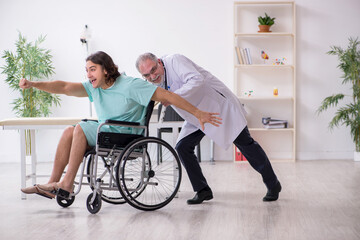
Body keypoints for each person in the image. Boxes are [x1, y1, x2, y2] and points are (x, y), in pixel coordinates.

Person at [20, 51, 222, 199]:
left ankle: (67, 184)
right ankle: (53, 186)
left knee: (80, 127)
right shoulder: (95, 87)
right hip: (106, 132)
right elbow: (64, 87)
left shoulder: (130, 85)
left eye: (93, 69)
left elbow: (167, 95)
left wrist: (197, 113)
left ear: (106, 70)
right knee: (68, 131)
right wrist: (34, 84)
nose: (89, 75)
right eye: (87, 70)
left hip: (126, 136)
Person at [136, 53, 282, 204]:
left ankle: (273, 184)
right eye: (147, 75)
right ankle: (202, 190)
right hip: (195, 114)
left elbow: (196, 79)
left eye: (154, 70)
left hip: (217, 107)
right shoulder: (153, 80)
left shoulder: (175, 61)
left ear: (159, 62)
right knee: (183, 147)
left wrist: (171, 96)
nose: (152, 77)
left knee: (246, 145)